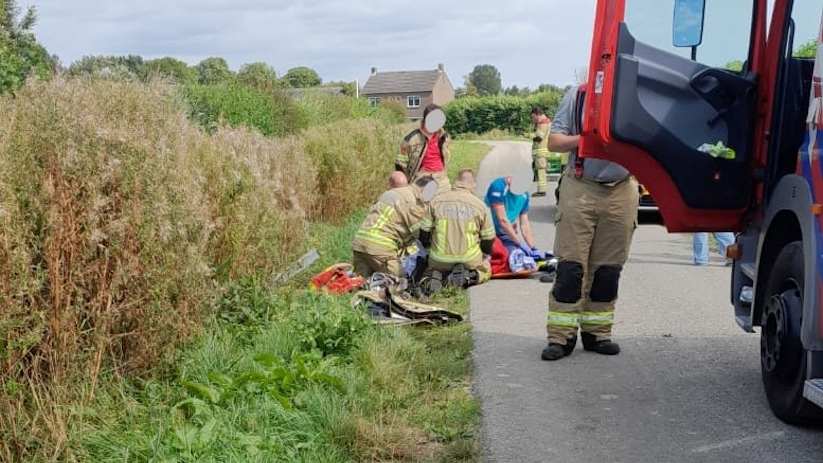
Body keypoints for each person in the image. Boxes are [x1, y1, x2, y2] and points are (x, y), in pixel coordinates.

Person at [541, 86, 639, 361]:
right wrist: (588, 138)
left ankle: (597, 334)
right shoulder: (579, 96)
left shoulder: (635, 95)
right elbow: (555, 142)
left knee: (608, 270)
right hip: (581, 186)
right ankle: (561, 338)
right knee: (571, 267)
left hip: (622, 189)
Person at [419, 169, 495, 291]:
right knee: (486, 269)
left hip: (440, 258)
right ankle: (469, 277)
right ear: (473, 184)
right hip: (468, 259)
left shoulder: (436, 201)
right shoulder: (480, 206)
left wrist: (429, 250)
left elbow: (424, 232)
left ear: (456, 182)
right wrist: (484, 255)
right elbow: (488, 239)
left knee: (430, 270)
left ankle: (433, 279)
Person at [352, 175, 437, 278]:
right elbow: (421, 233)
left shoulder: (393, 192)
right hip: (379, 248)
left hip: (359, 244)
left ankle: (337, 288)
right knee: (399, 281)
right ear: (425, 190)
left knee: (362, 281)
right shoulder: (413, 201)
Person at [396, 103, 451, 196]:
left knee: (444, 205)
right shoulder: (409, 140)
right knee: (422, 207)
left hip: (441, 177)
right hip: (421, 177)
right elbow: (400, 165)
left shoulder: (443, 137)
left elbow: (446, 156)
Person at [484, 175, 537, 254]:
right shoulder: (498, 186)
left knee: (515, 257)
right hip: (489, 231)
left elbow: (525, 225)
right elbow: (502, 220)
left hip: (507, 233)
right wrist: (519, 243)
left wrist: (533, 248)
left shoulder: (524, 196)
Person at [530, 107, 552, 197]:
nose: (533, 119)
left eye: (534, 117)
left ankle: (541, 191)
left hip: (541, 152)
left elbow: (539, 138)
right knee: (540, 171)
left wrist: (528, 135)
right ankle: (541, 190)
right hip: (541, 152)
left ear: (538, 115)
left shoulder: (542, 124)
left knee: (541, 172)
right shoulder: (545, 123)